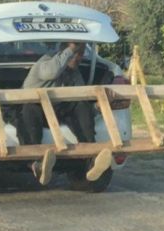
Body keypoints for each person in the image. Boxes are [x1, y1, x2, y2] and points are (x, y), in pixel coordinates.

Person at [18, 42, 113, 185]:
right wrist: (71, 48)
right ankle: (36, 164)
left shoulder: (74, 75)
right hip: (36, 110)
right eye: (74, 53)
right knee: (29, 109)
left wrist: (98, 107)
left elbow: (83, 101)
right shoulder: (44, 63)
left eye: (80, 54)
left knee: (80, 105)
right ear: (63, 53)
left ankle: (91, 159)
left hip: (57, 112)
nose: (78, 57)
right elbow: (52, 72)